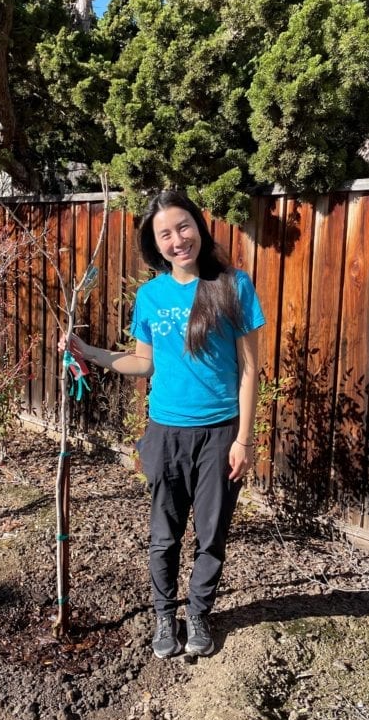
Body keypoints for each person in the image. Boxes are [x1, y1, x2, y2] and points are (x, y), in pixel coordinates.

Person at [61, 190, 265, 659]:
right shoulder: (151, 295)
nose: (178, 240)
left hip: (219, 433)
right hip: (165, 433)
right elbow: (143, 365)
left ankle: (197, 611)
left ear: (199, 225)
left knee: (211, 533)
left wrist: (244, 440)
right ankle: (162, 615)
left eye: (184, 226)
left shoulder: (234, 285)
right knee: (164, 535)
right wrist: (89, 352)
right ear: (155, 244)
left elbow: (251, 369)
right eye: (165, 234)